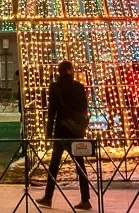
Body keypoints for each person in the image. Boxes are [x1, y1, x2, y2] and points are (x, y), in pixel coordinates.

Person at [38, 61, 92, 210]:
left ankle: (48, 197)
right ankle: (85, 198)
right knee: (80, 166)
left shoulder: (55, 87)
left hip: (61, 131)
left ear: (59, 71)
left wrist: (49, 133)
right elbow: (84, 109)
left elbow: (51, 112)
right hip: (75, 131)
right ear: (70, 71)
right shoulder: (79, 87)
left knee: (54, 165)